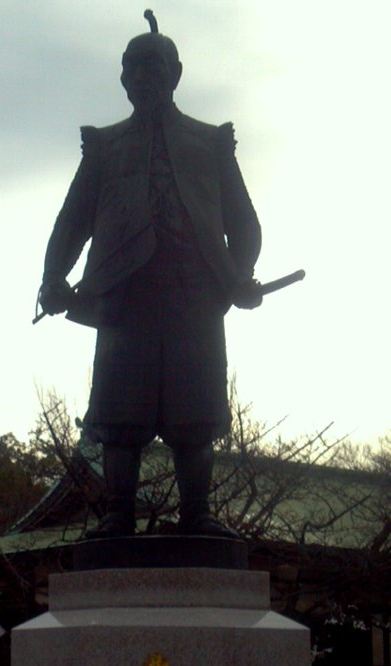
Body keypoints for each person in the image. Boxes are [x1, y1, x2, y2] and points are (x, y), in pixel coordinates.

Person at [39, 11, 262, 539]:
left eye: (153, 67)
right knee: (120, 416)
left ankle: (197, 515)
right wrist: (53, 277)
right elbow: (72, 221)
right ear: (122, 79)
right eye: (133, 68)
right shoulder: (105, 147)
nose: (143, 78)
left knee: (195, 415)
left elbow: (242, 220)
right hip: (125, 296)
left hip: (193, 295)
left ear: (175, 74)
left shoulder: (209, 143)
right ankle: (118, 514)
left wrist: (241, 274)